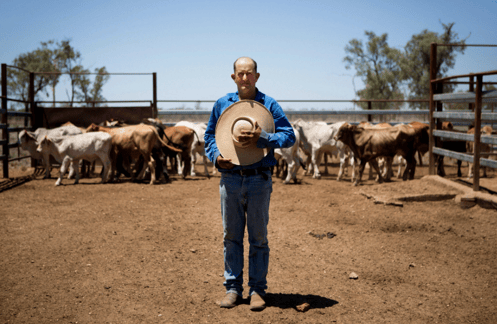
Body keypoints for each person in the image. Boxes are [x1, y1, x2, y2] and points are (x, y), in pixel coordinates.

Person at [204, 57, 296, 311]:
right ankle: (233, 289)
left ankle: (257, 290)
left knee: (258, 237)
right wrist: (216, 157)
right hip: (230, 179)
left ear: (257, 76)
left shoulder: (269, 104)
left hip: (259, 179)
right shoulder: (222, 104)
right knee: (231, 236)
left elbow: (289, 136)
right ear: (233, 77)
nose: (245, 78)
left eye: (249, 73)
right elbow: (210, 135)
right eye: (240, 74)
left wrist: (264, 137)